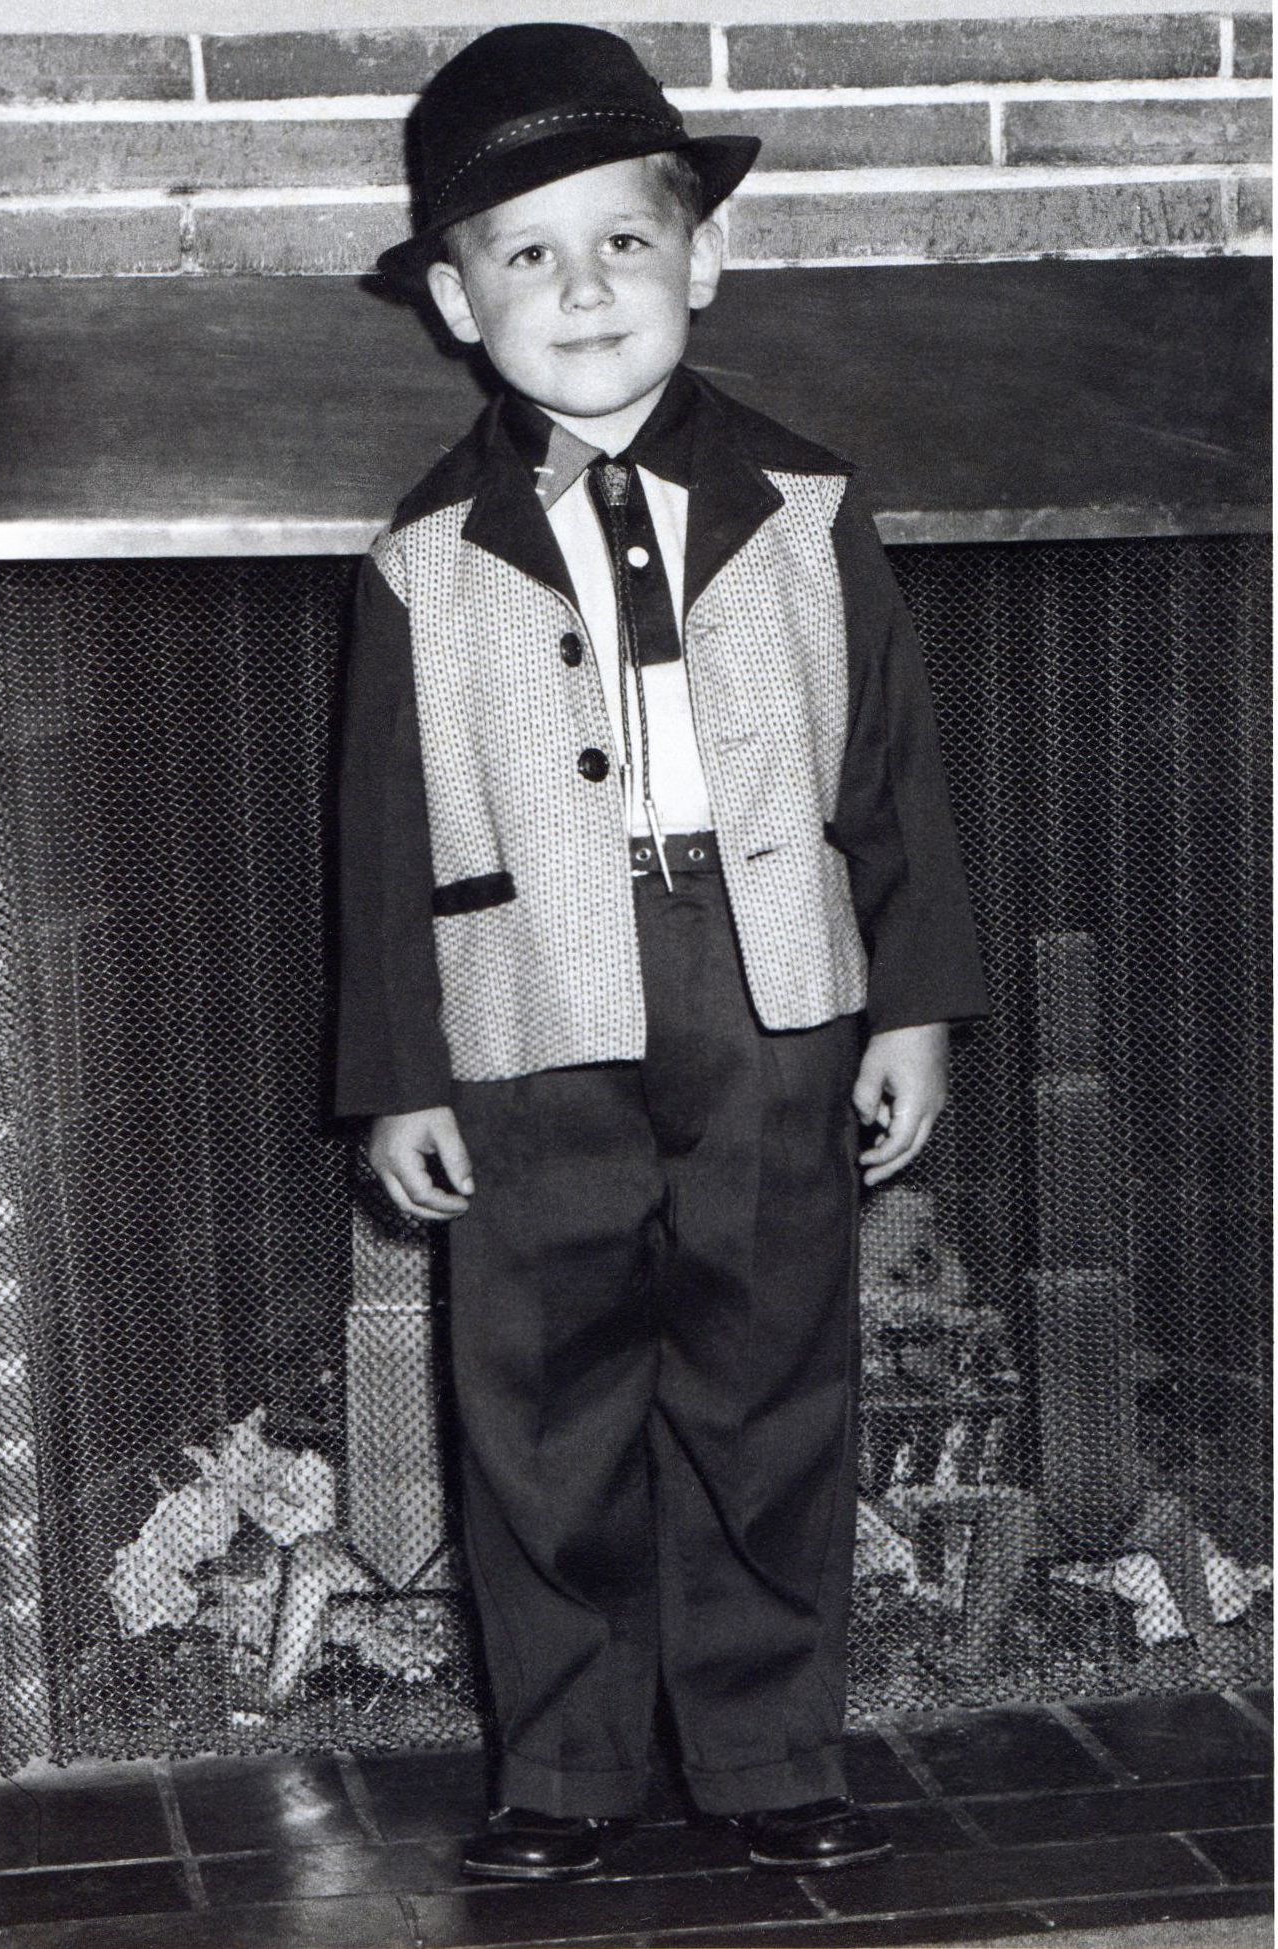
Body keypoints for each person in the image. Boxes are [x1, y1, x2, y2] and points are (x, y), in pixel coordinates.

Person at [335, 22, 988, 1883]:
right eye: (526, 254)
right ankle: (566, 1767)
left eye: (624, 239)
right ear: (457, 304)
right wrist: (397, 1077)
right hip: (528, 1012)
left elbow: (893, 772)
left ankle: (773, 1752)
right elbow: (378, 841)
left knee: (770, 1378)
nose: (583, 288)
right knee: (541, 1402)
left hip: (772, 991)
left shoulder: (809, 507)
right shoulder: (421, 554)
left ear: (701, 260)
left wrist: (915, 1007)